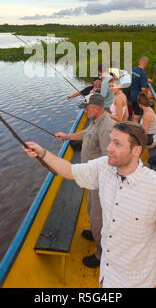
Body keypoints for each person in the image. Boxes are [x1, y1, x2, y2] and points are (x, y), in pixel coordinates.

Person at [24, 121, 156, 288]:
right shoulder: (104, 167)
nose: (109, 148)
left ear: (137, 150)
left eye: (117, 144)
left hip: (134, 282)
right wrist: (42, 153)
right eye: (111, 141)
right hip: (107, 273)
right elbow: (70, 171)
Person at [54, 93, 114, 268]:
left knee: (98, 218)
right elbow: (86, 134)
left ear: (97, 106)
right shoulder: (96, 121)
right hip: (91, 179)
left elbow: (109, 160)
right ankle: (95, 233)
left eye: (87, 108)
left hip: (100, 182)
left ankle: (101, 254)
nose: (85, 111)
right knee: (90, 208)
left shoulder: (107, 128)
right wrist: (66, 136)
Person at [130, 56, 152, 122]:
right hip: (138, 98)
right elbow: (143, 89)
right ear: (146, 64)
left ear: (140, 62)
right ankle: (133, 130)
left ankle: (131, 124)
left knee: (134, 111)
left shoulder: (133, 69)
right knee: (138, 115)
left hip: (132, 95)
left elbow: (135, 78)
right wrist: (147, 93)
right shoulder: (143, 74)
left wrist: (145, 80)